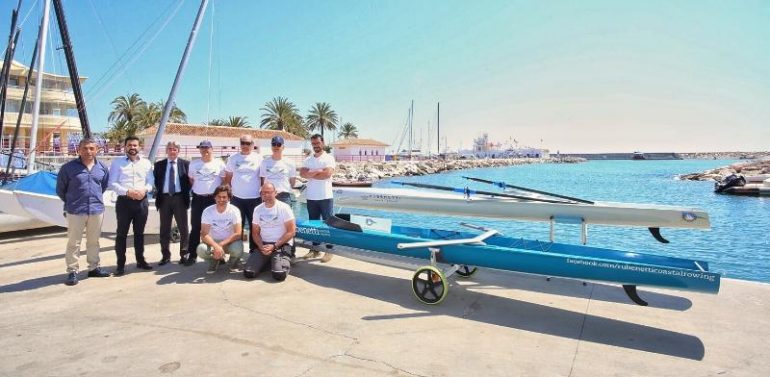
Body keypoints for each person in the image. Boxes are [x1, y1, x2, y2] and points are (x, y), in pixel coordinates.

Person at [55, 138, 111, 285]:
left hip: (96, 209)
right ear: (79, 150)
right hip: (75, 210)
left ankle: (94, 268)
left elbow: (103, 186)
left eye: (92, 148)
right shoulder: (68, 168)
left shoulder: (102, 168)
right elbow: (61, 190)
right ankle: (72, 271)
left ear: (97, 150)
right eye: (85, 148)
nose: (88, 151)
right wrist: (71, 201)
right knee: (74, 242)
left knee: (94, 241)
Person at [108, 136, 154, 275]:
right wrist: (128, 192)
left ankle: (140, 261)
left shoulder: (146, 163)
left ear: (139, 147)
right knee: (121, 234)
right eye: (129, 145)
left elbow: (150, 182)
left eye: (135, 145)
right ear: (125, 147)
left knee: (139, 234)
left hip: (141, 202)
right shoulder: (117, 163)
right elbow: (112, 183)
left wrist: (144, 190)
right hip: (124, 202)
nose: (132, 147)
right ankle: (120, 265)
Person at [244, 182, 296, 281]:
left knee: (279, 275)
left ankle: (281, 260)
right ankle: (269, 260)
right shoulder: (258, 209)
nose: (266, 195)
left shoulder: (284, 208)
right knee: (248, 273)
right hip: (264, 245)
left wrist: (275, 246)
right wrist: (260, 246)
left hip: (280, 245)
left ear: (275, 193)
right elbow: (255, 233)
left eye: (269, 192)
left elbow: (291, 231)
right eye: (263, 193)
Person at [187, 140, 227, 266]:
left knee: (215, 228)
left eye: (207, 148)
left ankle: (219, 255)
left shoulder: (220, 164)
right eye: (202, 148)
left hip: (213, 200)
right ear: (200, 150)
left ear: (212, 149)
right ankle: (192, 255)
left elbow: (224, 181)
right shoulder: (193, 164)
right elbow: (191, 180)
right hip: (198, 199)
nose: (205, 150)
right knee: (195, 227)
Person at [153, 141, 191, 266]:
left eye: (174, 149)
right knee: (164, 229)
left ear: (178, 151)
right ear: (166, 151)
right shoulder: (158, 165)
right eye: (170, 149)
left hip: (180, 198)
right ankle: (165, 256)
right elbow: (156, 182)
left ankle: (184, 254)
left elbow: (190, 181)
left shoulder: (185, 164)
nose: (172, 151)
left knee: (183, 228)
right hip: (164, 199)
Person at [299, 133, 335, 261]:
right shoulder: (308, 159)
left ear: (323, 143)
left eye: (318, 143)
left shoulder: (329, 158)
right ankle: (314, 249)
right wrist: (318, 171)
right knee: (313, 224)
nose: (316, 146)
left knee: (327, 223)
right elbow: (302, 173)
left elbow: (327, 174)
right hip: (311, 197)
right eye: (313, 144)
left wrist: (311, 174)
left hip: (325, 196)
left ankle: (329, 249)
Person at [224, 134, 262, 251]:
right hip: (237, 199)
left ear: (253, 145)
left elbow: (263, 178)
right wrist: (227, 195)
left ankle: (254, 251)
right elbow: (228, 178)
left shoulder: (259, 158)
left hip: (255, 198)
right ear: (240, 144)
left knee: (254, 227)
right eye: (243, 143)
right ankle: (237, 253)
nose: (245, 145)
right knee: (236, 227)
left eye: (248, 143)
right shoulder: (233, 158)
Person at [197, 184, 244, 274]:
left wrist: (221, 245)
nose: (221, 199)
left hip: (229, 242)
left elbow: (238, 233)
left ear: (229, 198)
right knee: (201, 249)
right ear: (214, 197)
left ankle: (233, 262)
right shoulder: (207, 211)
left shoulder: (234, 210)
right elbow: (204, 234)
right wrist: (216, 246)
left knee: (237, 248)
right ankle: (215, 260)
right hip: (213, 242)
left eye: (224, 197)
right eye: (219, 197)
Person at [259, 135, 296, 205]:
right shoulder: (264, 162)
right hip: (268, 196)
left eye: (278, 144)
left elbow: (292, 183)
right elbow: (263, 181)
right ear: (271, 146)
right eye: (274, 144)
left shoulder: (290, 163)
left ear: (283, 147)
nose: (276, 146)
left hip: (284, 197)